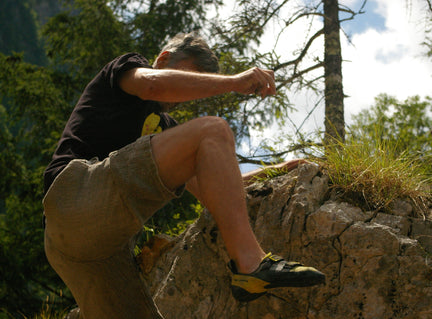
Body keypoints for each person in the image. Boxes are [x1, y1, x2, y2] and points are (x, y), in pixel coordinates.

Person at [42, 32, 325, 319]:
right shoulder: (128, 68)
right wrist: (234, 82)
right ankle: (251, 265)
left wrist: (278, 171)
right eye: (193, 75)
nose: (189, 93)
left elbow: (216, 190)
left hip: (86, 252)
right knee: (214, 130)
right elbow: (152, 84)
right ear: (164, 58)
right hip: (74, 196)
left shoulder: (167, 133)